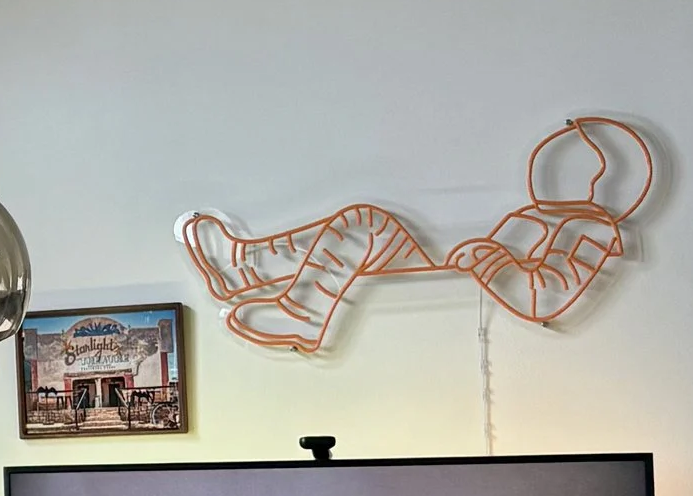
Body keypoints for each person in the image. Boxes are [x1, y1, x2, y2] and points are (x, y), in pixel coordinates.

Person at [178, 119, 654, 350]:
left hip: (445, 272)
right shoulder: (538, 216)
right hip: (440, 262)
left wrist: (492, 262)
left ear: (596, 180)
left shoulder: (593, 231)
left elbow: (547, 297)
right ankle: (245, 266)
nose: (547, 172)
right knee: (353, 227)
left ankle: (296, 310)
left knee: (363, 223)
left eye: (571, 161)